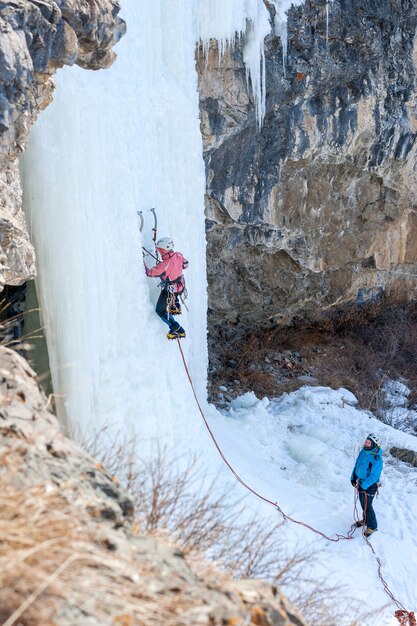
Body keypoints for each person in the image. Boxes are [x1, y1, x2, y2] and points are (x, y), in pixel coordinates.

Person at [144, 236, 188, 339]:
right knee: (174, 294)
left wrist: (142, 262)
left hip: (170, 290)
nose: (159, 252)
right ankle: (175, 306)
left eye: (160, 250)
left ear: (164, 249)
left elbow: (149, 273)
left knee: (160, 310)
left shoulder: (164, 265)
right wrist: (174, 268)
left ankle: (177, 329)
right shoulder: (178, 255)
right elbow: (185, 265)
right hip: (180, 286)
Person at [350, 433, 383, 537]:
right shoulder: (364, 451)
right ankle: (365, 520)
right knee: (362, 503)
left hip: (370, 485)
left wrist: (363, 486)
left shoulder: (377, 458)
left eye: (369, 442)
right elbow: (357, 465)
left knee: (367, 506)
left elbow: (374, 476)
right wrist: (353, 477)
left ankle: (372, 526)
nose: (366, 443)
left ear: (374, 444)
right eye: (366, 441)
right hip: (361, 482)